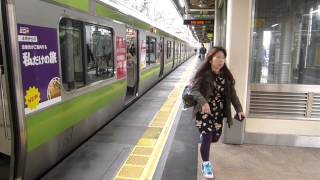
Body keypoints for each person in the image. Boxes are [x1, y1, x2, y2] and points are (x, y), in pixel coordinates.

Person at [190, 46, 245, 179]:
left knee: (214, 138)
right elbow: (194, 90)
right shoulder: (203, 74)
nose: (221, 60)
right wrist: (203, 102)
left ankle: (205, 138)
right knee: (208, 136)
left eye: (223, 58)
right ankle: (206, 164)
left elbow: (233, 95)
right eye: (218, 57)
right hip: (204, 111)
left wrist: (239, 109)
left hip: (218, 112)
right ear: (210, 59)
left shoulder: (226, 76)